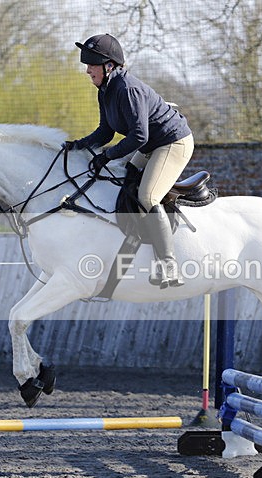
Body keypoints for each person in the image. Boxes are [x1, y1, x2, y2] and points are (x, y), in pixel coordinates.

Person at [65, 33, 193, 289]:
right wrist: (77, 146)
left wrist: (108, 155)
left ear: (109, 66)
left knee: (147, 196)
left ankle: (169, 264)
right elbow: (105, 132)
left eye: (92, 65)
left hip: (172, 142)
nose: (88, 70)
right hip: (150, 144)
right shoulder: (105, 90)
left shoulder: (127, 89)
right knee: (124, 180)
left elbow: (138, 135)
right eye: (87, 66)